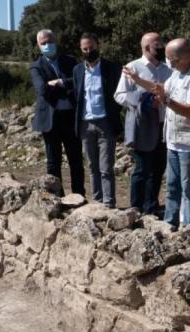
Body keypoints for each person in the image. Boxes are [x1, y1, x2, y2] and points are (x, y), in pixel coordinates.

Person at [130, 38, 190, 229]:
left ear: (184, 57)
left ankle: (189, 229)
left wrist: (166, 100)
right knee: (172, 187)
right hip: (174, 140)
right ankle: (170, 224)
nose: (169, 63)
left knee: (189, 189)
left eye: (172, 59)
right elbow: (160, 89)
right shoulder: (177, 73)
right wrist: (137, 80)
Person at [116, 33, 172, 215]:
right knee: (141, 168)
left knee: (158, 167)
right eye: (158, 44)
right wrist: (143, 101)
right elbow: (119, 95)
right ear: (147, 47)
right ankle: (136, 207)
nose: (161, 47)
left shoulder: (168, 69)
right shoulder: (133, 68)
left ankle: (152, 206)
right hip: (143, 125)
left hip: (164, 124)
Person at [29, 29, 84, 196]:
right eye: (43, 43)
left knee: (76, 160)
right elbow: (42, 89)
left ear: (56, 41)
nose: (47, 45)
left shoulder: (70, 61)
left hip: (70, 117)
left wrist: (60, 82)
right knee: (53, 162)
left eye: (49, 41)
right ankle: (57, 197)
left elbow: (79, 81)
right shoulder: (36, 66)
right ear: (38, 46)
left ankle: (78, 195)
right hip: (50, 120)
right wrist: (67, 87)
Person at [73, 33, 122, 208]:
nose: (88, 51)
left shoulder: (112, 68)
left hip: (106, 123)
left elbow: (119, 94)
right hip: (86, 124)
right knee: (92, 167)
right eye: (85, 49)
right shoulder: (78, 70)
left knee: (106, 167)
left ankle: (109, 203)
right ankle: (97, 202)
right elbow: (77, 95)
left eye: (91, 48)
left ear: (98, 45)